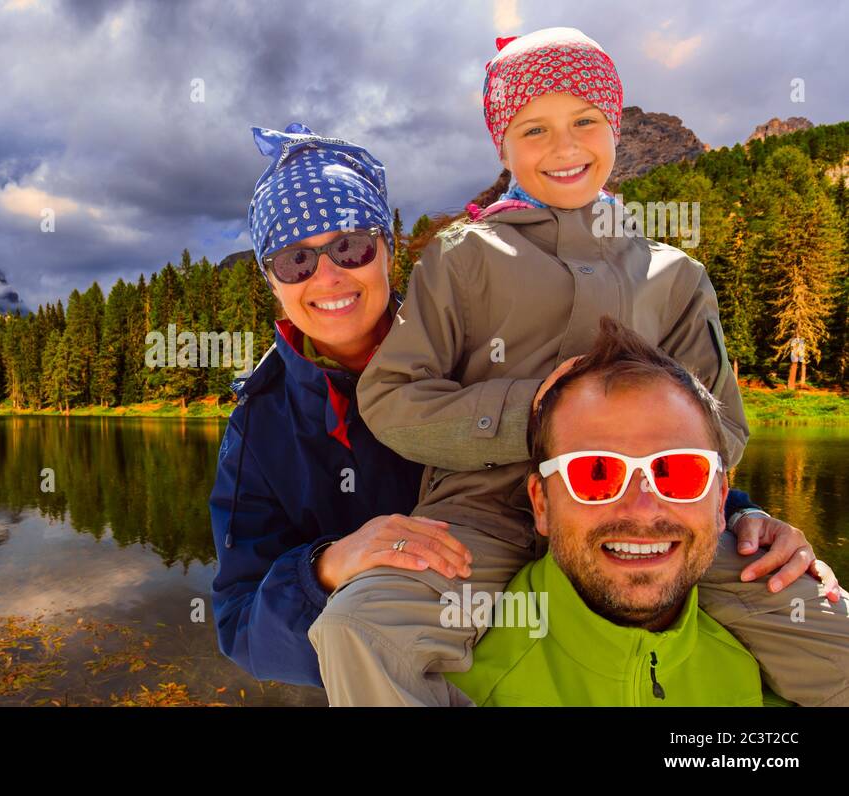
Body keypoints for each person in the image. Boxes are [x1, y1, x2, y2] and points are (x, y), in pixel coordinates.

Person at [311, 27, 849, 707]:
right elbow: (389, 399)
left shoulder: (676, 276)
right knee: (360, 629)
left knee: (833, 634)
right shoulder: (460, 258)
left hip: (659, 517)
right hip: (482, 524)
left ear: (615, 130)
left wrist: (711, 491)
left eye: (585, 122)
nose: (564, 148)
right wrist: (530, 413)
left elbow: (728, 431)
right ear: (501, 146)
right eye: (532, 130)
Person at [446, 318, 798, 705]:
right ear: (541, 503)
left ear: (720, 501)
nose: (643, 509)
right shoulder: (451, 687)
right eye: (596, 472)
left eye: (678, 470)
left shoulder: (783, 675)